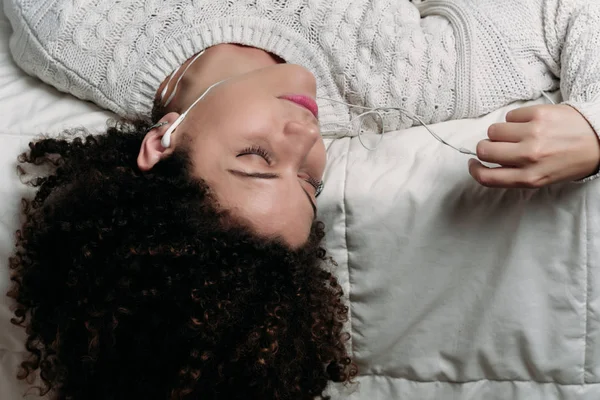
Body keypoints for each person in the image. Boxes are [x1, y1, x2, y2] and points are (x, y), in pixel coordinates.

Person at [3, 0, 600, 398]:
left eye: (257, 160)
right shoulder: (397, 81)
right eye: (311, 185)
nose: (308, 140)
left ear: (161, 141)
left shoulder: (70, 31)